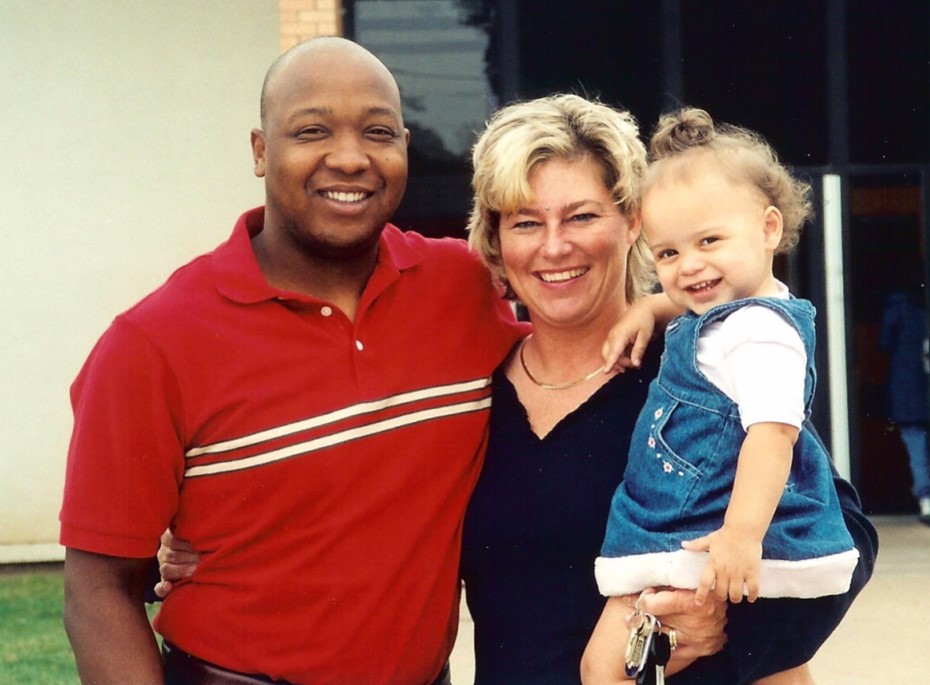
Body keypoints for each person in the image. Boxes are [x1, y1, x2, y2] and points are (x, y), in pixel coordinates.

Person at [159, 95, 878, 684]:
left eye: (583, 216)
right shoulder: (465, 388)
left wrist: (724, 627)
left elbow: (843, 533)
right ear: (495, 244)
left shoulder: (694, 364)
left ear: (632, 224)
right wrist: (204, 541)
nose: (555, 246)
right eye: (526, 223)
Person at [60, 36, 528, 685]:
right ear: (260, 150)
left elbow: (583, 340)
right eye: (312, 130)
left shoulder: (464, 288)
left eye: (377, 132)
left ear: (404, 149)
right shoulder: (150, 344)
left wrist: (659, 310)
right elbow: (96, 588)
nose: (349, 157)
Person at [583, 108, 866, 685]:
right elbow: (696, 300)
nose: (689, 266)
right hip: (724, 537)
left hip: (713, 537)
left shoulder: (760, 334)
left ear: (767, 228)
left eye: (709, 240)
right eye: (667, 254)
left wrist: (741, 535)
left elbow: (774, 432)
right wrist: (648, 305)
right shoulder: (736, 313)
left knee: (604, 669)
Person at [880, 281, 930, 525]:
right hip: (915, 385)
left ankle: (926, 501)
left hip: (907, 389)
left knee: (916, 447)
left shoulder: (896, 309)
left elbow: (884, 343)